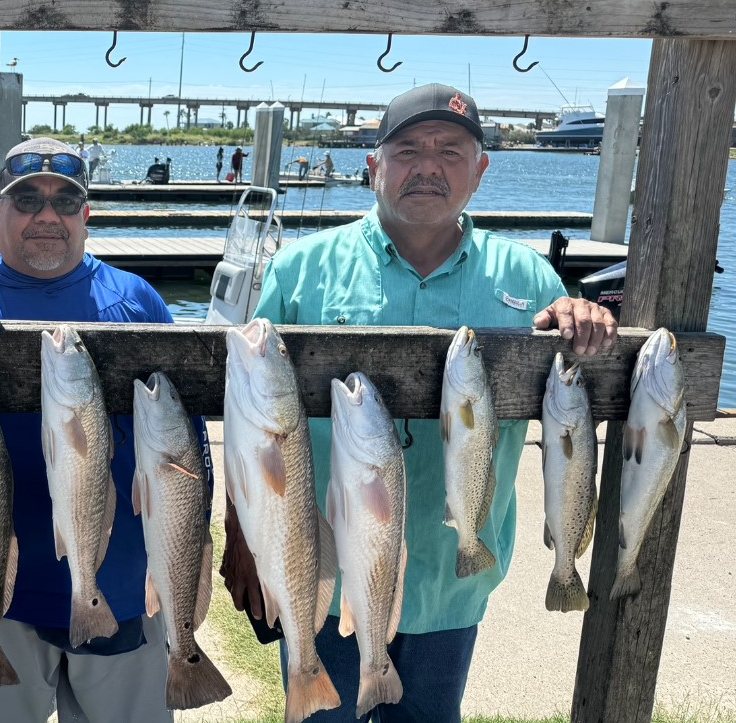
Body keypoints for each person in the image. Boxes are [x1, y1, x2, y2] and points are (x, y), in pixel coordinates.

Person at [220, 83, 617, 723]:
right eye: (407, 150)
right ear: (373, 166)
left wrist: (583, 319)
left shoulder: (530, 279)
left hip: (450, 578)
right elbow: (248, 422)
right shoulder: (299, 270)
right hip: (322, 572)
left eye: (450, 152)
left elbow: (573, 388)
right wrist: (240, 532)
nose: (427, 166)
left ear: (480, 172)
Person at [0, 137, 208, 722]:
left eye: (65, 201)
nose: (47, 215)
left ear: (85, 215)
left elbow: (188, 443)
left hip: (120, 587)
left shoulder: (137, 301)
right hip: (0, 590)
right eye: (27, 200)